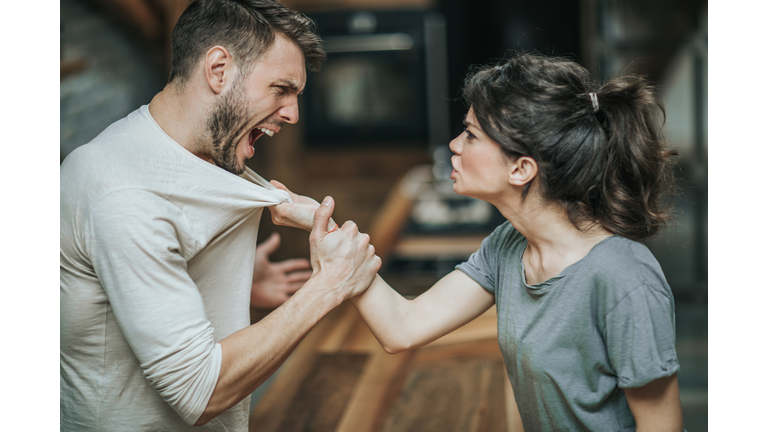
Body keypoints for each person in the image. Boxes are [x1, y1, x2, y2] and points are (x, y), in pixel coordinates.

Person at [59, 0, 380, 430]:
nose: (292, 114)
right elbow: (199, 392)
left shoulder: (190, 150)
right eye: (280, 89)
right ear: (218, 70)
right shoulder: (123, 195)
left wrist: (231, 281)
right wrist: (327, 287)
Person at [351, 53, 685, 431]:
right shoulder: (509, 245)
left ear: (521, 169)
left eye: (471, 135)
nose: (455, 145)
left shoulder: (624, 277)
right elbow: (403, 327)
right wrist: (330, 236)